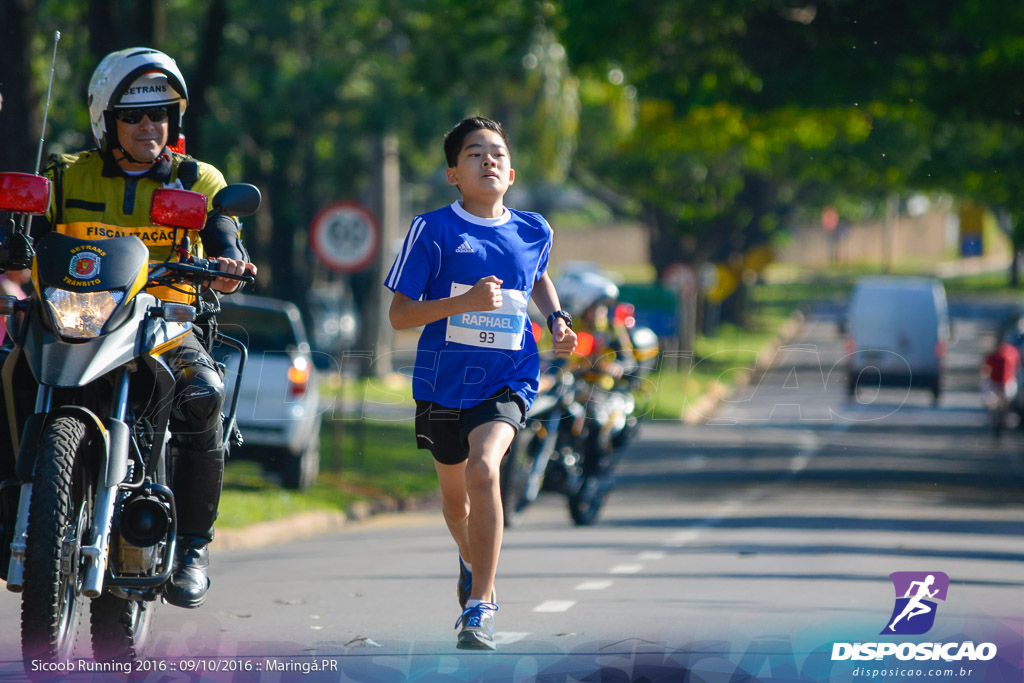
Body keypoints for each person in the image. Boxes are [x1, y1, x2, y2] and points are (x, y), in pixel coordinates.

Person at [0, 47, 256, 608]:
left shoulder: (199, 179)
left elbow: (225, 238)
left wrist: (229, 263)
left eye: (161, 113)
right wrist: (12, 242)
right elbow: (22, 240)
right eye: (134, 116)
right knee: (4, 372)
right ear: (106, 120)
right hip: (69, 321)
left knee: (203, 395)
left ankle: (191, 547)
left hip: (163, 325)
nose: (149, 125)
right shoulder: (64, 175)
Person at [385, 116, 576, 650]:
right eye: (474, 154)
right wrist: (464, 304)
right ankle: (471, 561)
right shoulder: (433, 230)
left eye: (496, 153)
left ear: (510, 173)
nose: (487, 160)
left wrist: (558, 319)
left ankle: (480, 606)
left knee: (484, 467)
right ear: (453, 174)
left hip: (508, 376)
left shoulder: (534, 228)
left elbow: (537, 275)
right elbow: (400, 316)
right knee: (454, 506)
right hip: (442, 382)